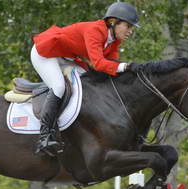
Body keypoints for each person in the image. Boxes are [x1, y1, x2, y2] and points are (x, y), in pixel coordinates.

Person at [31, 2, 140, 156]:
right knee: (59, 87)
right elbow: (99, 63)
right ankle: (44, 136)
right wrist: (126, 67)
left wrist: (129, 75)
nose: (130, 31)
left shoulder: (115, 40)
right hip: (46, 53)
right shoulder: (95, 30)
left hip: (66, 58)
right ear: (113, 22)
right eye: (128, 26)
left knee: (88, 83)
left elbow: (112, 65)